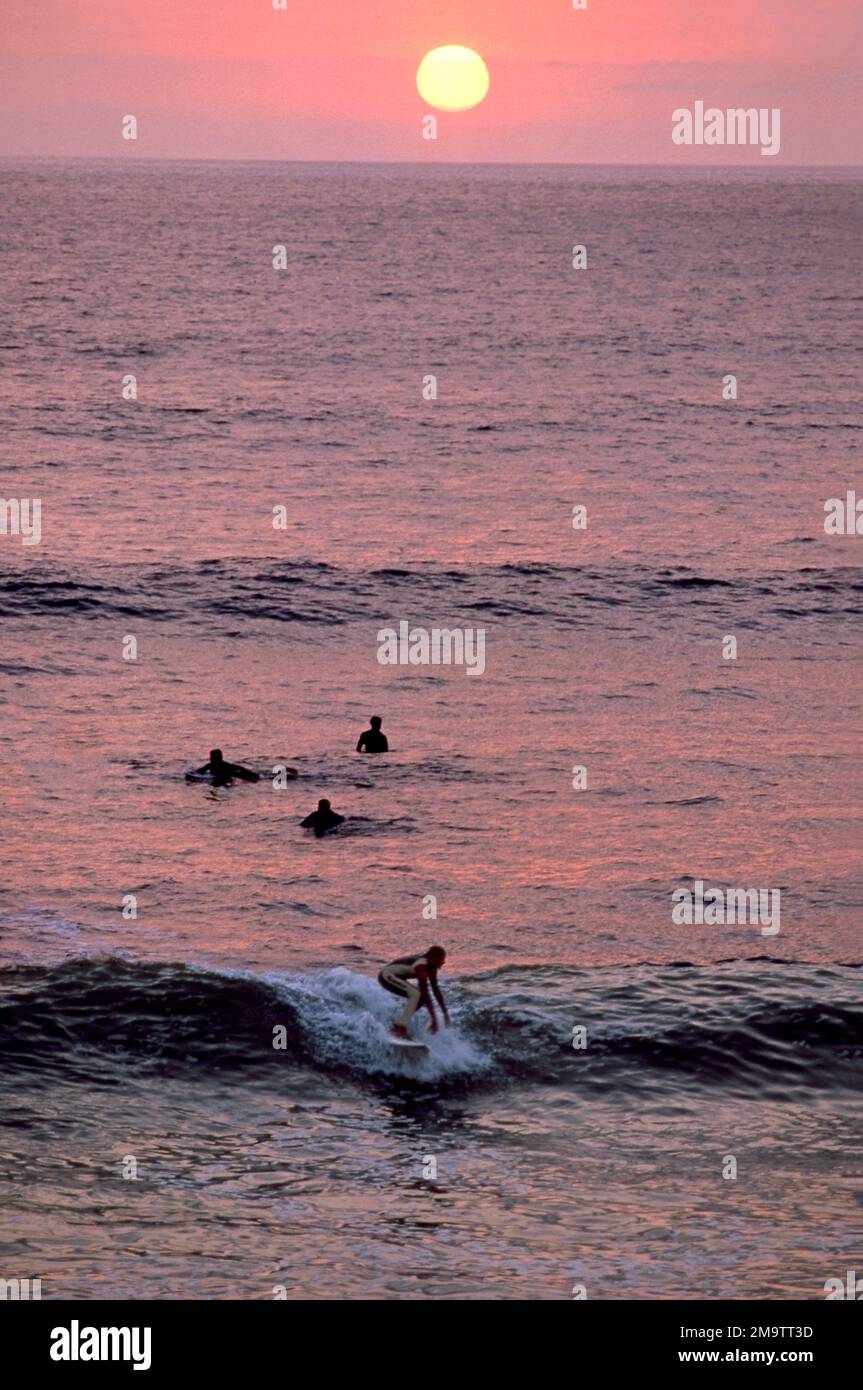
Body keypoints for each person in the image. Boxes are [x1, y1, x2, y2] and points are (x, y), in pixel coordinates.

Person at [378, 946, 449, 1038]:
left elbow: (436, 990)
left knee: (419, 997)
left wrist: (445, 1012)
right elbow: (425, 993)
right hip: (386, 975)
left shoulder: (432, 967)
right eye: (442, 961)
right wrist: (434, 1019)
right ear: (433, 959)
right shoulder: (422, 966)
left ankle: (398, 1025)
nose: (443, 963)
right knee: (417, 994)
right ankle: (400, 1027)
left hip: (396, 977)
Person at [190, 749, 260, 785]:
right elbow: (199, 771)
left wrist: (252, 774)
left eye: (212, 757)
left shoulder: (225, 765)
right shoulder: (210, 765)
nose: (210, 758)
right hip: (217, 778)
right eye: (211, 757)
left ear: (219, 758)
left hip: (229, 776)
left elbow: (239, 768)